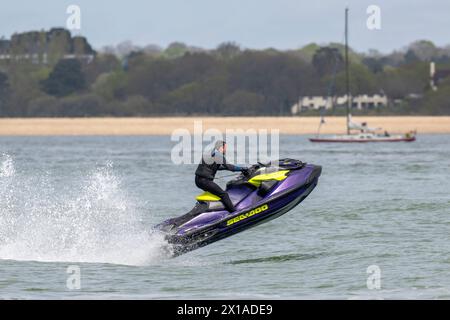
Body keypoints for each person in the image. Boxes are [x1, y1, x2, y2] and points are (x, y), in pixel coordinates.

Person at [195, 140, 248, 212]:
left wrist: (226, 167)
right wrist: (242, 169)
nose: (225, 150)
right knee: (224, 194)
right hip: (205, 181)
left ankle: (217, 210)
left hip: (198, 180)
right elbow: (230, 167)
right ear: (221, 148)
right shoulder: (218, 155)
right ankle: (234, 212)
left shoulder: (211, 153)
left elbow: (215, 167)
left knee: (215, 195)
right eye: (225, 148)